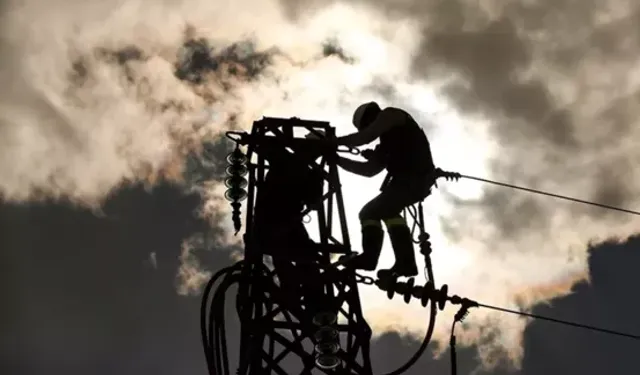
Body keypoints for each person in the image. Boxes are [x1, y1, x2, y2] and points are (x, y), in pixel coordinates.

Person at [331, 102, 437, 277]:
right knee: (388, 213)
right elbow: (369, 170)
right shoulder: (386, 142)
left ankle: (370, 259)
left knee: (369, 213)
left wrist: (334, 143)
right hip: (411, 182)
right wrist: (338, 161)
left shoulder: (391, 114)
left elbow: (366, 137)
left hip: (414, 179)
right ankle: (406, 263)